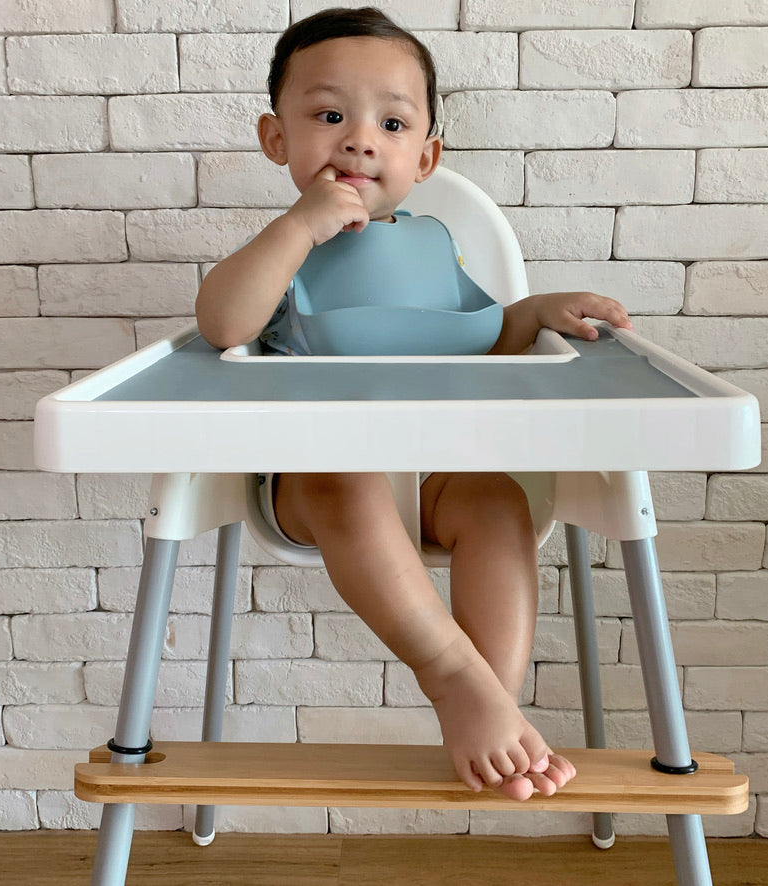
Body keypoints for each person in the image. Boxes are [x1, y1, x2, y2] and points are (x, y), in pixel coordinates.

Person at [196, 7, 633, 801]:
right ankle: (450, 671)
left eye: (391, 122)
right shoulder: (287, 246)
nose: (361, 138)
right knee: (343, 473)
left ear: (425, 154)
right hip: (314, 486)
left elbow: (483, 335)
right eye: (330, 116)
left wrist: (536, 311)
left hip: (434, 479)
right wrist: (300, 227)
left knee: (498, 500)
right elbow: (225, 322)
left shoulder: (436, 245)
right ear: (275, 139)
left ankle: (490, 698)